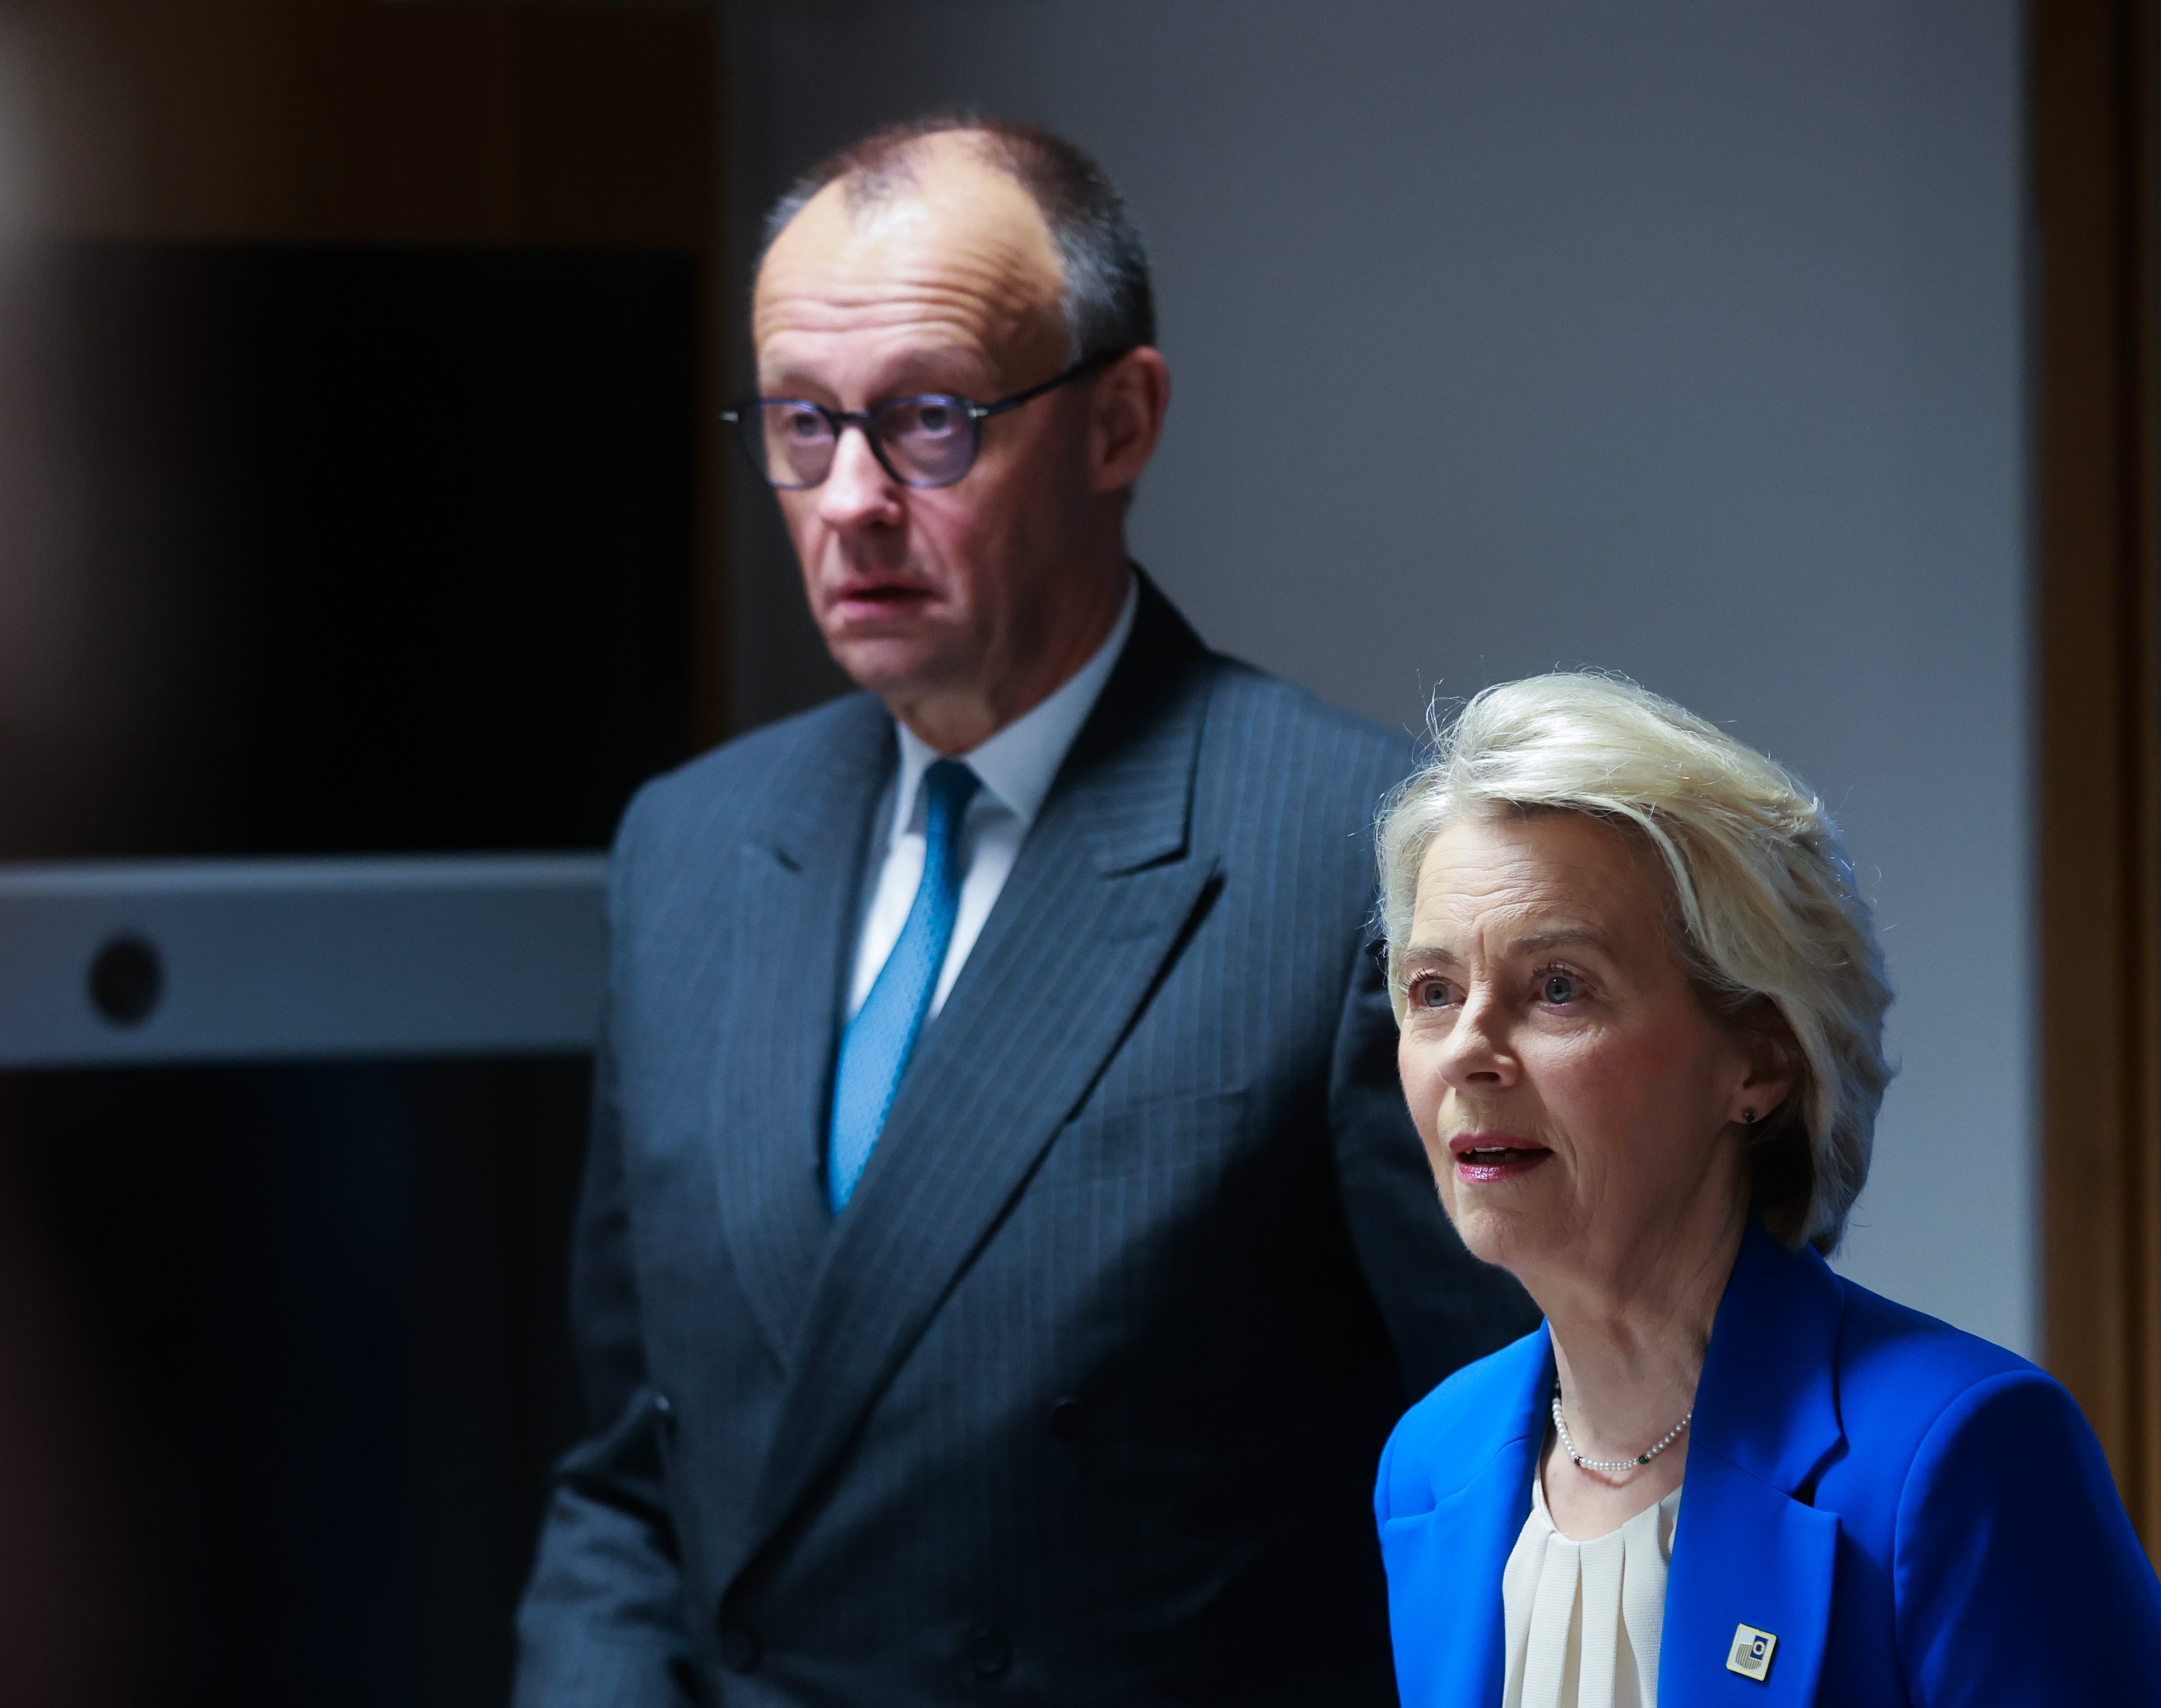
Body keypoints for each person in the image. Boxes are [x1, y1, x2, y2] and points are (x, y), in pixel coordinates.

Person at [512, 115, 1534, 1704]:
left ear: (1121, 421)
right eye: (801, 423)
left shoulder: (1356, 856)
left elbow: (1524, 1474)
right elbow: (633, 1482)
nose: (850, 499)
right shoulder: (690, 848)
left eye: (929, 420)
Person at [1371, 674, 2161, 1706]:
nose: (1468, 1052)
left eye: (1559, 987)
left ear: (1759, 1057)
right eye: (1434, 992)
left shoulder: (1958, 1454)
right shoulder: (1433, 1463)